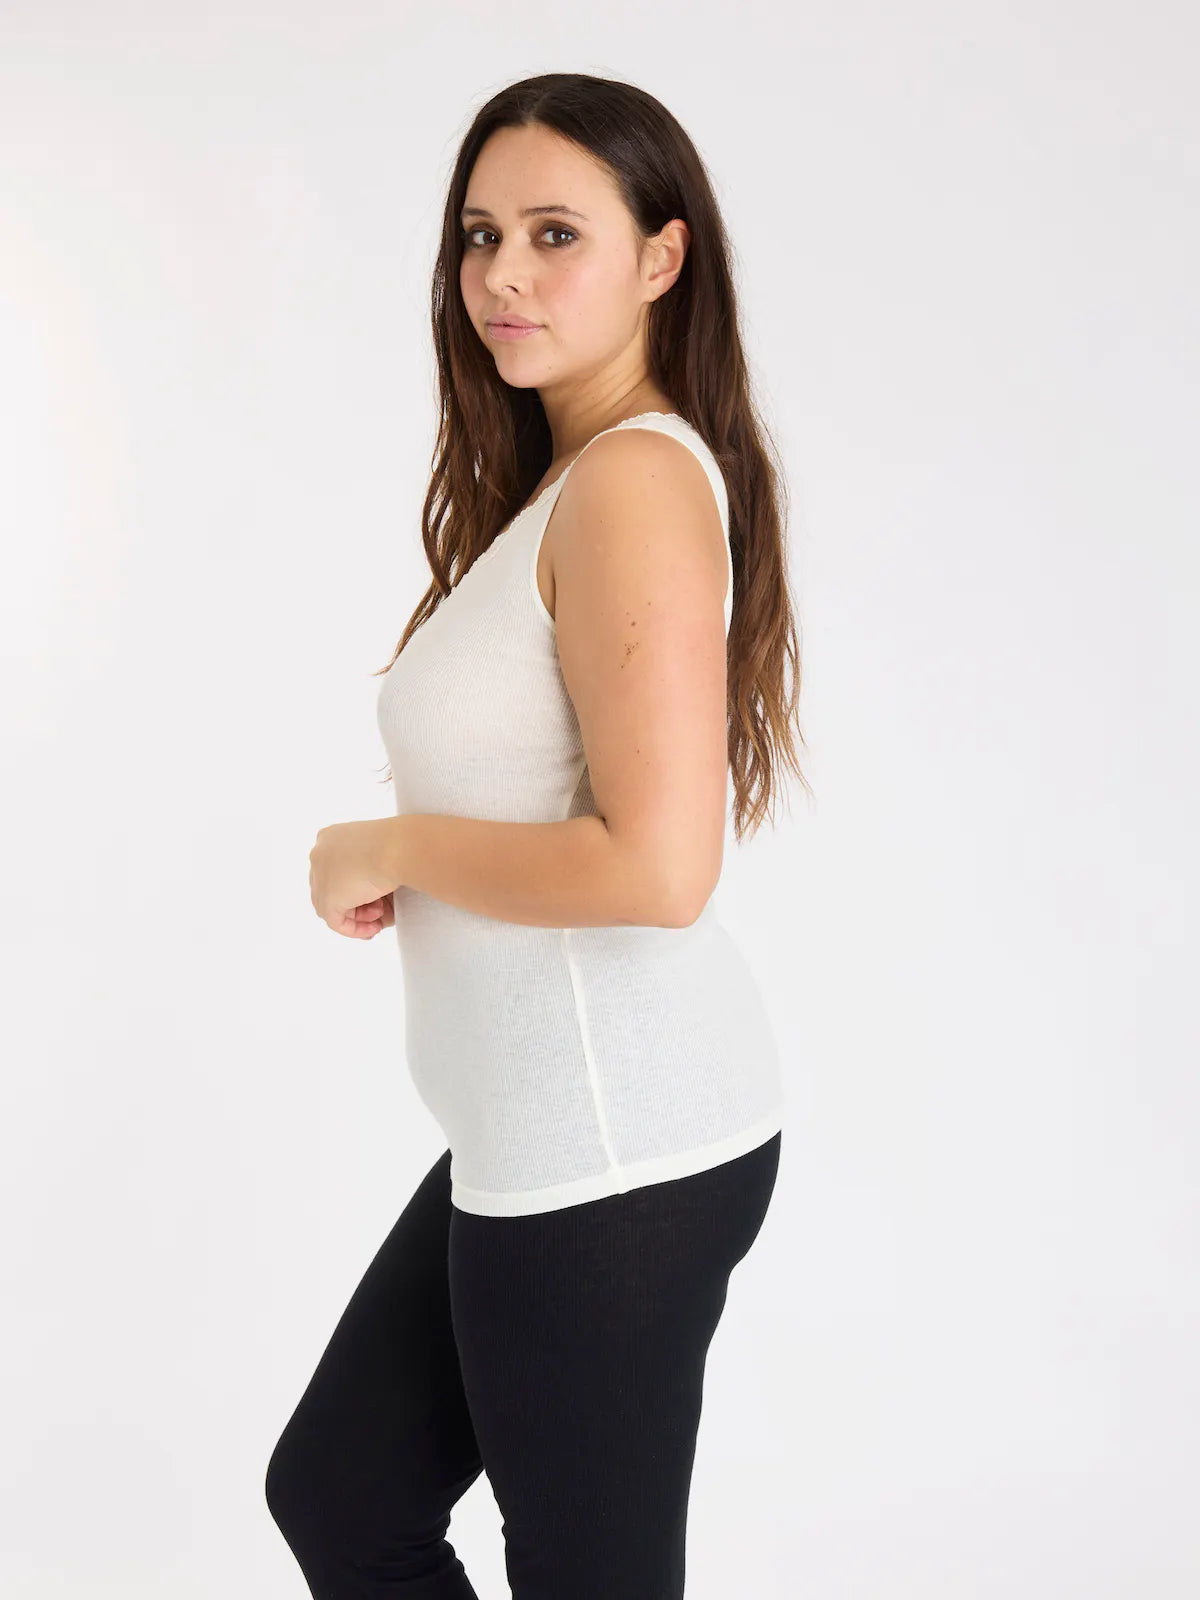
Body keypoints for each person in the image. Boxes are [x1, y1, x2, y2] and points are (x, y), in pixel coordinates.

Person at [266, 71, 810, 1599]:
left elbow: (657, 867)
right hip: (543, 1136)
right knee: (344, 1494)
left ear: (662, 258)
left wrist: (394, 848)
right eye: (480, 235)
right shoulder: (570, 480)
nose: (503, 274)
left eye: (556, 233)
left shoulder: (632, 479)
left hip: (609, 1150)